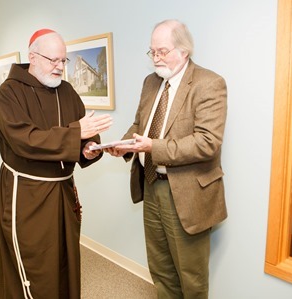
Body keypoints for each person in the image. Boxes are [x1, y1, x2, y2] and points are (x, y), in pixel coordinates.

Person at [106, 19, 227, 299]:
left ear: (184, 51)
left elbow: (207, 142)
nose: (156, 58)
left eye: (162, 51)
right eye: (152, 52)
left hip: (186, 194)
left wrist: (152, 148)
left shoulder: (209, 83)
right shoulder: (151, 82)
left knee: (191, 277)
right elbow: (140, 125)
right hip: (151, 186)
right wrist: (123, 145)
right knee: (160, 269)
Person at [0, 28, 112, 299]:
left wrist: (89, 149)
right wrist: (76, 134)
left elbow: (84, 134)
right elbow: (24, 139)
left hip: (64, 192)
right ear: (33, 57)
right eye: (53, 60)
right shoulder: (9, 93)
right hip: (28, 194)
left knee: (66, 259)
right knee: (34, 266)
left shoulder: (68, 91)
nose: (60, 67)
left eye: (63, 61)